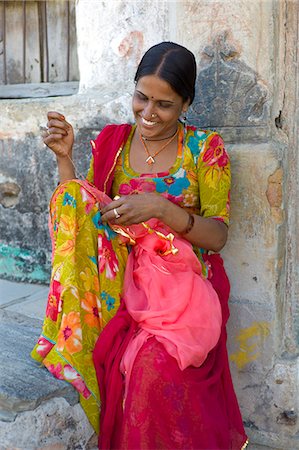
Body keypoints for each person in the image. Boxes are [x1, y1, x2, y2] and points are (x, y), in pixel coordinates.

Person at [31, 42, 248, 449]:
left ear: (186, 102)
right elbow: (86, 216)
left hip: (183, 289)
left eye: (163, 105)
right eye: (141, 97)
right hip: (120, 281)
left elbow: (218, 237)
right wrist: (65, 159)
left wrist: (162, 210)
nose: (148, 114)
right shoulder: (113, 140)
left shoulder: (205, 149)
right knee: (73, 194)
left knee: (155, 366)